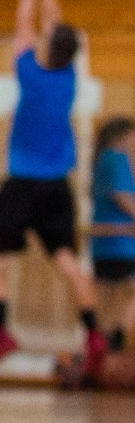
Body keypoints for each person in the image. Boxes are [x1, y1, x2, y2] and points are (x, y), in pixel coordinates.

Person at [0, 0, 103, 375]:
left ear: (49, 47)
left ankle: (0, 332)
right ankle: (95, 334)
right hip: (57, 188)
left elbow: (25, 24)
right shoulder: (67, 78)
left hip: (23, 183)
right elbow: (54, 25)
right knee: (69, 262)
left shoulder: (30, 74)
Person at [89, 116, 135, 352]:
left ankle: (105, 343)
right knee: (124, 294)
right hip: (120, 243)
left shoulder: (102, 161)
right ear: (124, 136)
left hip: (103, 245)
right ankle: (115, 340)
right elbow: (122, 196)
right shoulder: (117, 159)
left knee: (108, 298)